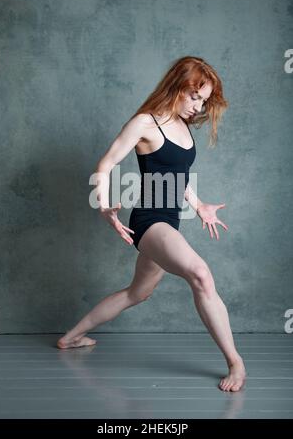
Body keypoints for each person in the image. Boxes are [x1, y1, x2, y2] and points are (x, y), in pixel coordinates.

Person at [57, 56, 246, 392]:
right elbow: (106, 163)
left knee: (137, 293)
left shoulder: (184, 126)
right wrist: (104, 206)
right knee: (201, 275)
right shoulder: (146, 123)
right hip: (149, 220)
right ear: (177, 86)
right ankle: (235, 362)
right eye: (194, 97)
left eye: (203, 100)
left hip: (170, 221)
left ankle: (71, 337)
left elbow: (175, 176)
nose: (198, 106)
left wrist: (199, 205)